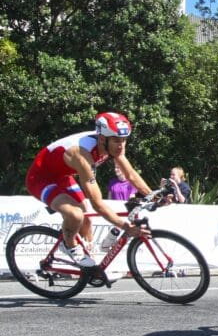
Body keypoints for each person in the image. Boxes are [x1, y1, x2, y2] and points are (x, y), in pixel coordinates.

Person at [25, 112, 151, 267]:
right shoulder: (82, 155)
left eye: (124, 140)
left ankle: (89, 261)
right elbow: (97, 204)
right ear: (103, 139)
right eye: (117, 141)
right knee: (76, 214)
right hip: (40, 178)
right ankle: (68, 244)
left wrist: (153, 196)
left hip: (63, 176)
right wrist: (126, 227)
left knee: (87, 218)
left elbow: (130, 174)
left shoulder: (111, 144)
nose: (121, 145)